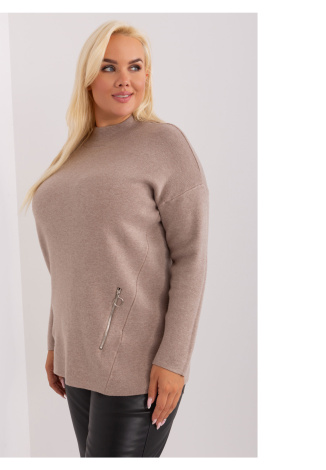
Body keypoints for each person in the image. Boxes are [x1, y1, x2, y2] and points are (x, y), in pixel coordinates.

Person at [22, 20, 209, 457]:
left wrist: (174, 361)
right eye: (109, 67)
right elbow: (68, 261)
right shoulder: (72, 155)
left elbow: (191, 257)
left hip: (135, 368)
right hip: (76, 361)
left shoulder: (165, 144)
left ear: (147, 76)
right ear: (88, 78)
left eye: (135, 67)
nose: (125, 79)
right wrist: (55, 341)